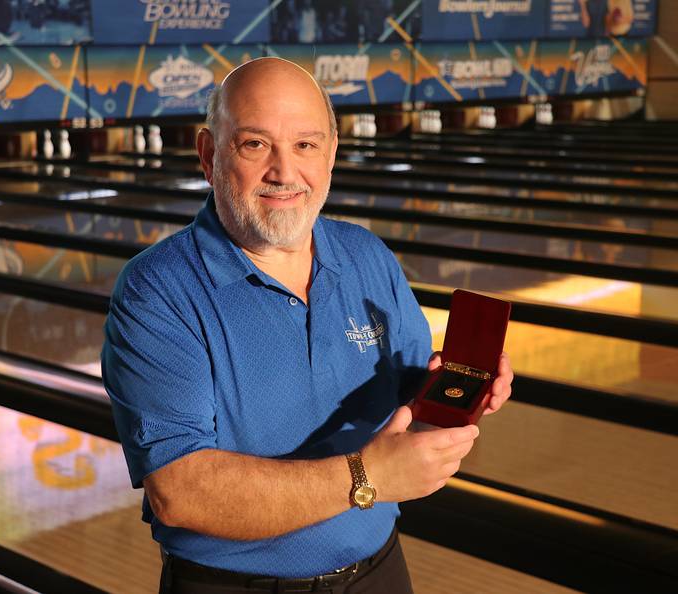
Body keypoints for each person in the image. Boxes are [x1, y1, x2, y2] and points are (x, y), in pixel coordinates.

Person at [102, 57, 514, 593]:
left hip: (379, 573)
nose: (284, 172)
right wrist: (368, 478)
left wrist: (463, 399)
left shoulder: (367, 257)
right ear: (208, 155)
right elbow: (180, 492)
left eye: (306, 144)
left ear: (332, 154)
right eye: (255, 144)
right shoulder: (157, 290)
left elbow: (413, 420)